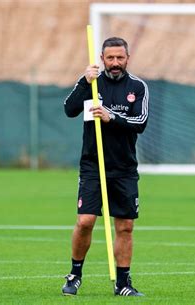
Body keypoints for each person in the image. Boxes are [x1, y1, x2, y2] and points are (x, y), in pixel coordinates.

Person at [61, 37, 148, 297]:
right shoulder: (91, 83)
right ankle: (75, 274)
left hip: (123, 168)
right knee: (85, 221)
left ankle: (123, 283)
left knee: (125, 226)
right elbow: (69, 109)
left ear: (127, 58)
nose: (115, 63)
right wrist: (83, 82)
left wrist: (112, 117)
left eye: (120, 58)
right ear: (102, 59)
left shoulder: (137, 87)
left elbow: (140, 122)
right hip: (92, 165)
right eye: (110, 58)